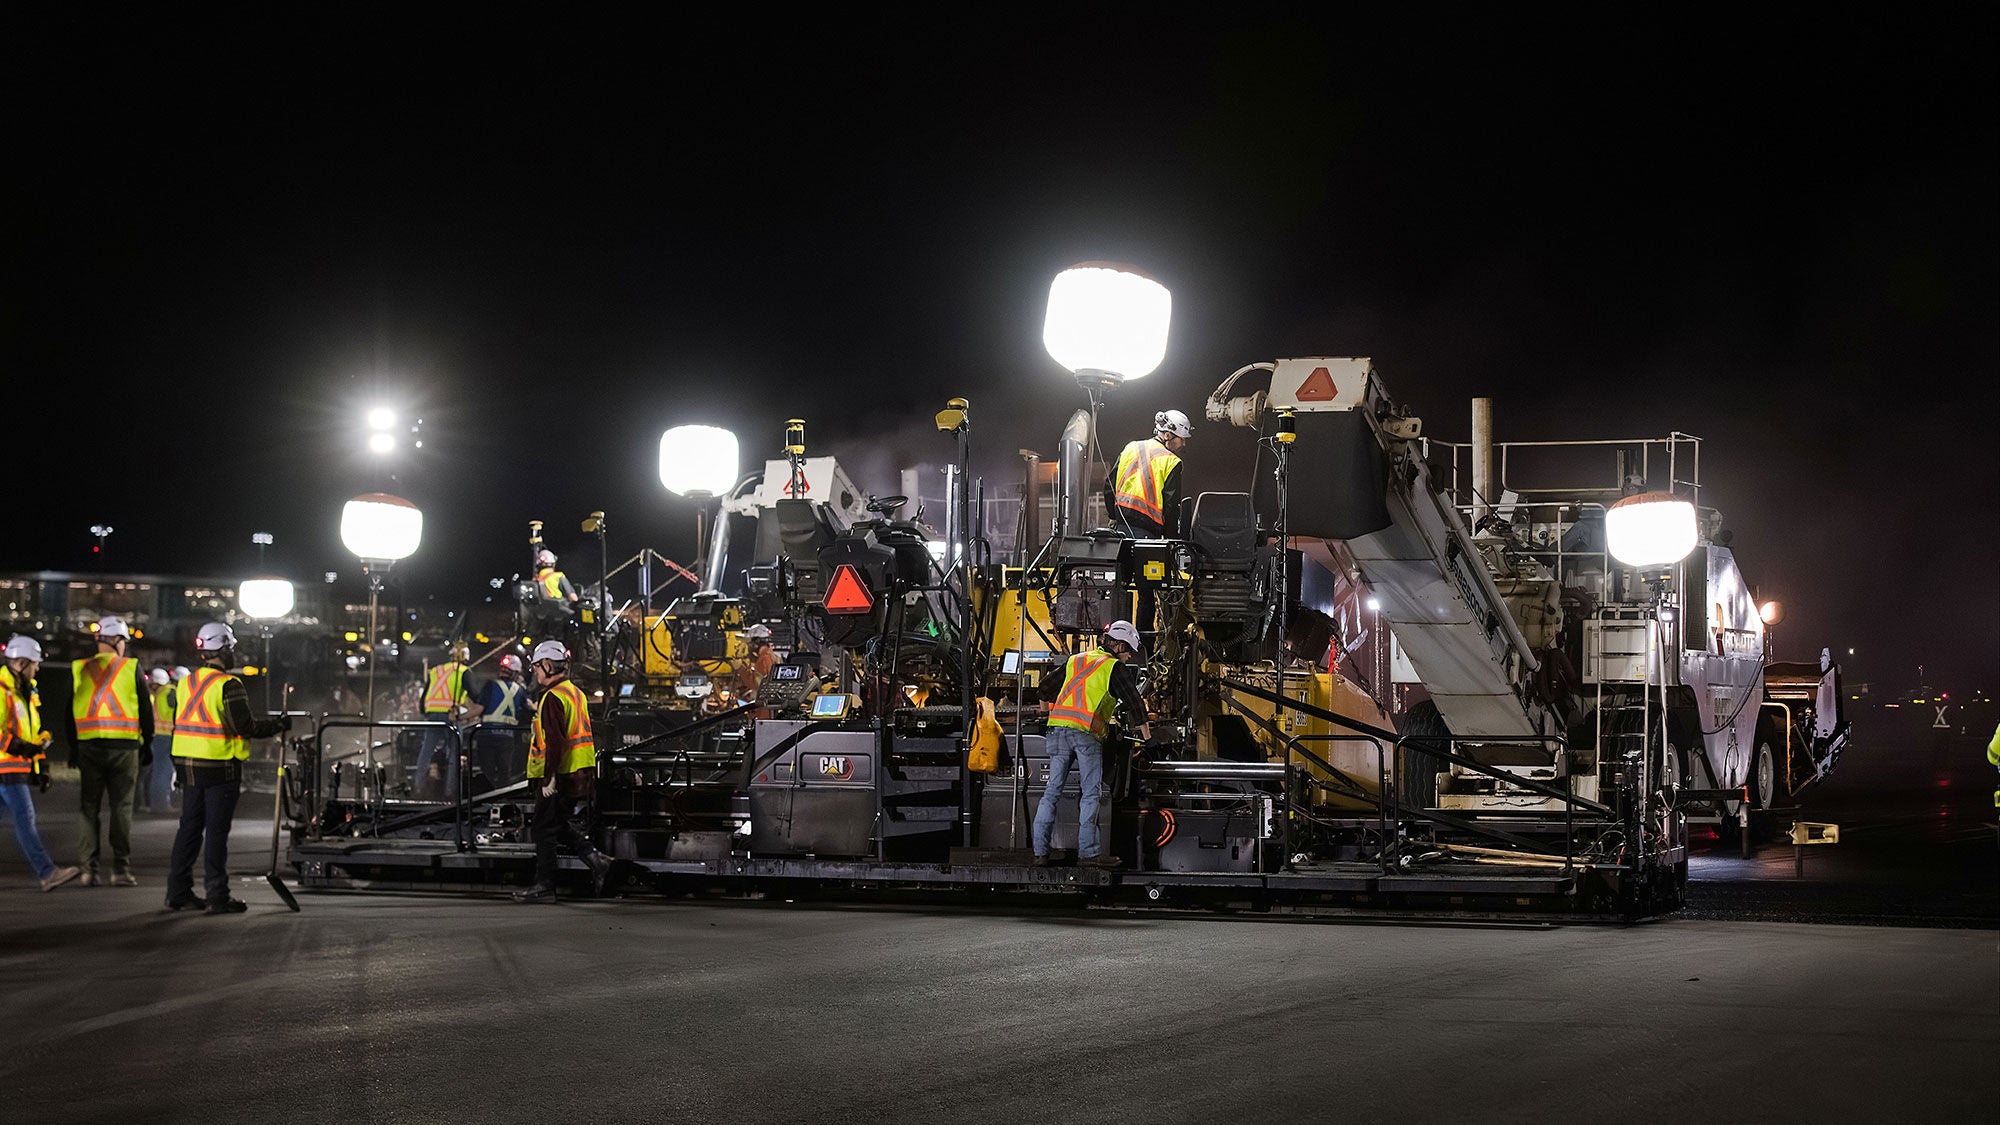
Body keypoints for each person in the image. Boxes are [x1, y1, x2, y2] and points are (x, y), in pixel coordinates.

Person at [165, 622, 289, 914]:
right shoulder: (228, 685)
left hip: (187, 764)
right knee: (217, 833)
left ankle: (178, 892)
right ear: (223, 649)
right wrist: (279, 725)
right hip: (220, 766)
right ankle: (217, 895)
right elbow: (244, 727)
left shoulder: (187, 682)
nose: (233, 653)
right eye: (231, 648)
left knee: (190, 829)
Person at [1032, 620, 1151, 869]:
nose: (1129, 656)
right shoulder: (1113, 667)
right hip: (1085, 735)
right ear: (1118, 646)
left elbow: (1043, 689)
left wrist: (1044, 718)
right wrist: (1149, 740)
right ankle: (1088, 855)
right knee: (1090, 795)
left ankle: (1040, 853)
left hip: (1057, 731)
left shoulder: (1076, 659)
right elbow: (1135, 704)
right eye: (1128, 650)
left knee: (1051, 793)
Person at [512, 640, 613, 903]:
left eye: (536, 666)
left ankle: (545, 885)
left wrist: (549, 779)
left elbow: (555, 742)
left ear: (547, 665)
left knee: (543, 829)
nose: (534, 671)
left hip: (562, 776)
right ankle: (597, 859)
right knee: (556, 823)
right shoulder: (574, 692)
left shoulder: (551, 698)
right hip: (580, 773)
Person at [67, 615, 153, 886]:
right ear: (116, 641)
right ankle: (120, 869)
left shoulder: (79, 668)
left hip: (88, 746)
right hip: (124, 748)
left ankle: (88, 871)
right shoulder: (130, 668)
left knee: (88, 809)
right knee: (121, 808)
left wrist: (72, 747)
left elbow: (68, 712)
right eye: (124, 641)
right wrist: (147, 742)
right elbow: (145, 710)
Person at [1, 636, 83, 891]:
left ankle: (47, 872)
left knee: (23, 817)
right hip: (7, 767)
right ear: (21, 663)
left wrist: (39, 766)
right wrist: (19, 747)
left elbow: (29, 733)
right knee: (25, 818)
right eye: (34, 664)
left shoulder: (23, 692)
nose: (37, 668)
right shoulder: (3, 691)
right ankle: (47, 872)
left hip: (15, 767)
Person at [1104, 408, 1191, 538]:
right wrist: (1172, 540)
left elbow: (1108, 486)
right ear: (1168, 435)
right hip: (1148, 533)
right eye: (1182, 439)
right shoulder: (1172, 461)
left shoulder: (1130, 447)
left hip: (1121, 528)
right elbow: (1171, 506)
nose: (1184, 444)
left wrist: (1113, 516)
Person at [412, 642, 472, 800]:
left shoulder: (437, 670)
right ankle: (450, 792)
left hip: (433, 714)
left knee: (426, 752)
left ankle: (418, 787)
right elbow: (474, 694)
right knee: (454, 755)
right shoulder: (463, 671)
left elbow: (425, 695)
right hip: (450, 716)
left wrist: (425, 712)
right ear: (465, 658)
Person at [466, 652, 534, 790]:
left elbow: (479, 709)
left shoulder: (490, 686)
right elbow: (530, 707)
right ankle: (503, 799)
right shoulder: (519, 691)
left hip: (486, 735)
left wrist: (459, 716)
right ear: (516, 673)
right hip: (507, 737)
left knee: (488, 772)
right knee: (505, 772)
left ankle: (487, 797)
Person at [140, 667, 177, 814]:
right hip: (167, 737)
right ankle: (161, 805)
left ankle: (156, 804)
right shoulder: (170, 693)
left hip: (157, 737)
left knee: (157, 772)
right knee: (164, 771)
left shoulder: (159, 694)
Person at [531, 549, 581, 641]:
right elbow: (573, 598)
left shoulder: (536, 581)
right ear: (553, 563)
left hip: (542, 621)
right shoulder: (558, 576)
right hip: (561, 616)